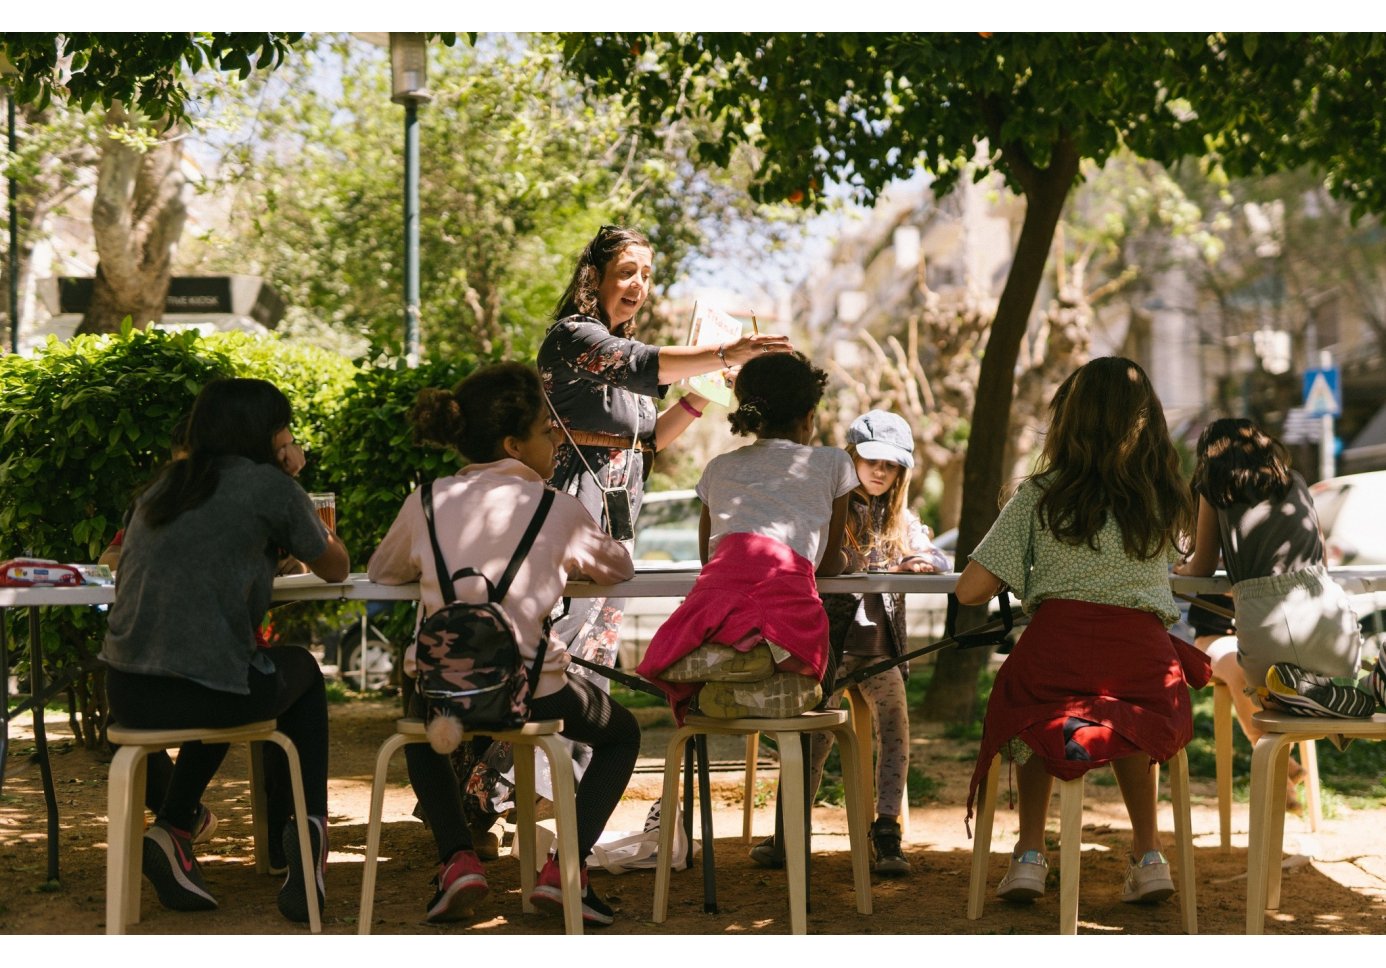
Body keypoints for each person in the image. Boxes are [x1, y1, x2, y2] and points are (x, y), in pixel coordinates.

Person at [367, 362, 641, 927]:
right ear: (514, 444)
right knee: (623, 734)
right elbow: (618, 567)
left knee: (420, 725)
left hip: (445, 695)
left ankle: (458, 859)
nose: (556, 440)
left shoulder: (425, 502)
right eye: (547, 430)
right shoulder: (556, 507)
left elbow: (382, 569)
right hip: (534, 693)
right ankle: (565, 871)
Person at [956, 356, 1211, 907]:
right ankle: (1149, 856)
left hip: (1055, 654)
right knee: (1129, 713)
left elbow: (970, 592)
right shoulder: (1162, 498)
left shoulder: (1039, 494)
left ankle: (1028, 854)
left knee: (1029, 711)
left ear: (1070, 418)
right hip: (1144, 664)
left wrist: (1024, 567)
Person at [99, 378, 350, 923]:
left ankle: (173, 829)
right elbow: (336, 566)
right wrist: (291, 481)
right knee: (298, 668)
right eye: (284, 429)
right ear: (268, 435)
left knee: (227, 668)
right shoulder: (269, 485)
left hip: (126, 692)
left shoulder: (164, 487)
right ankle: (308, 844)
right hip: (209, 691)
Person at [537, 224, 793, 678]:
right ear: (593, 278)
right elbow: (641, 362)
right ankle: (526, 747)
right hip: (575, 499)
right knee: (565, 634)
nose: (639, 284)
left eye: (647, 274)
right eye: (626, 272)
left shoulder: (625, 354)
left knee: (600, 645)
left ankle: (583, 749)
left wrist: (699, 395)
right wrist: (724, 352)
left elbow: (651, 437)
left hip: (621, 503)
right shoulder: (573, 336)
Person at [747, 409, 947, 876]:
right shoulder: (827, 506)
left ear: (902, 471)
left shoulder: (903, 518)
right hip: (828, 649)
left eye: (891, 465)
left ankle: (886, 829)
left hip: (881, 652)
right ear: (850, 458)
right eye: (871, 460)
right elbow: (824, 557)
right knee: (813, 738)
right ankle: (787, 832)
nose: (880, 471)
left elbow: (935, 556)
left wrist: (918, 558)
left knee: (895, 724)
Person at [637, 351, 856, 722]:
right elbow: (829, 564)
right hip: (785, 596)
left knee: (720, 635)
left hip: (714, 602)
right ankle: (762, 670)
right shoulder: (834, 463)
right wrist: (853, 562)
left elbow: (711, 558)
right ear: (809, 417)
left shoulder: (719, 467)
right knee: (816, 673)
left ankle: (725, 665)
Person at [1174, 417, 1370, 717]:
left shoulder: (1214, 490)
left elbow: (1202, 566)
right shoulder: (1296, 481)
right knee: (1293, 685)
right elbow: (1322, 559)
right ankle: (1341, 690)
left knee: (1267, 700)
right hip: (1331, 625)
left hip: (1265, 628)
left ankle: (1296, 696)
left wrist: (1182, 569)